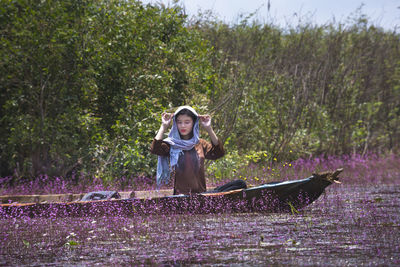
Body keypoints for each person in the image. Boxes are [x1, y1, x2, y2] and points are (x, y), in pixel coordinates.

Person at [150, 106, 225, 195]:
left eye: (187, 122)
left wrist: (209, 129)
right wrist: (163, 126)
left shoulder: (200, 144)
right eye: (179, 122)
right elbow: (155, 149)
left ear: (193, 123)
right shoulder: (172, 145)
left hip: (201, 196)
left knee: (239, 184)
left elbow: (218, 153)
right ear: (175, 124)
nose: (183, 126)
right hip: (180, 198)